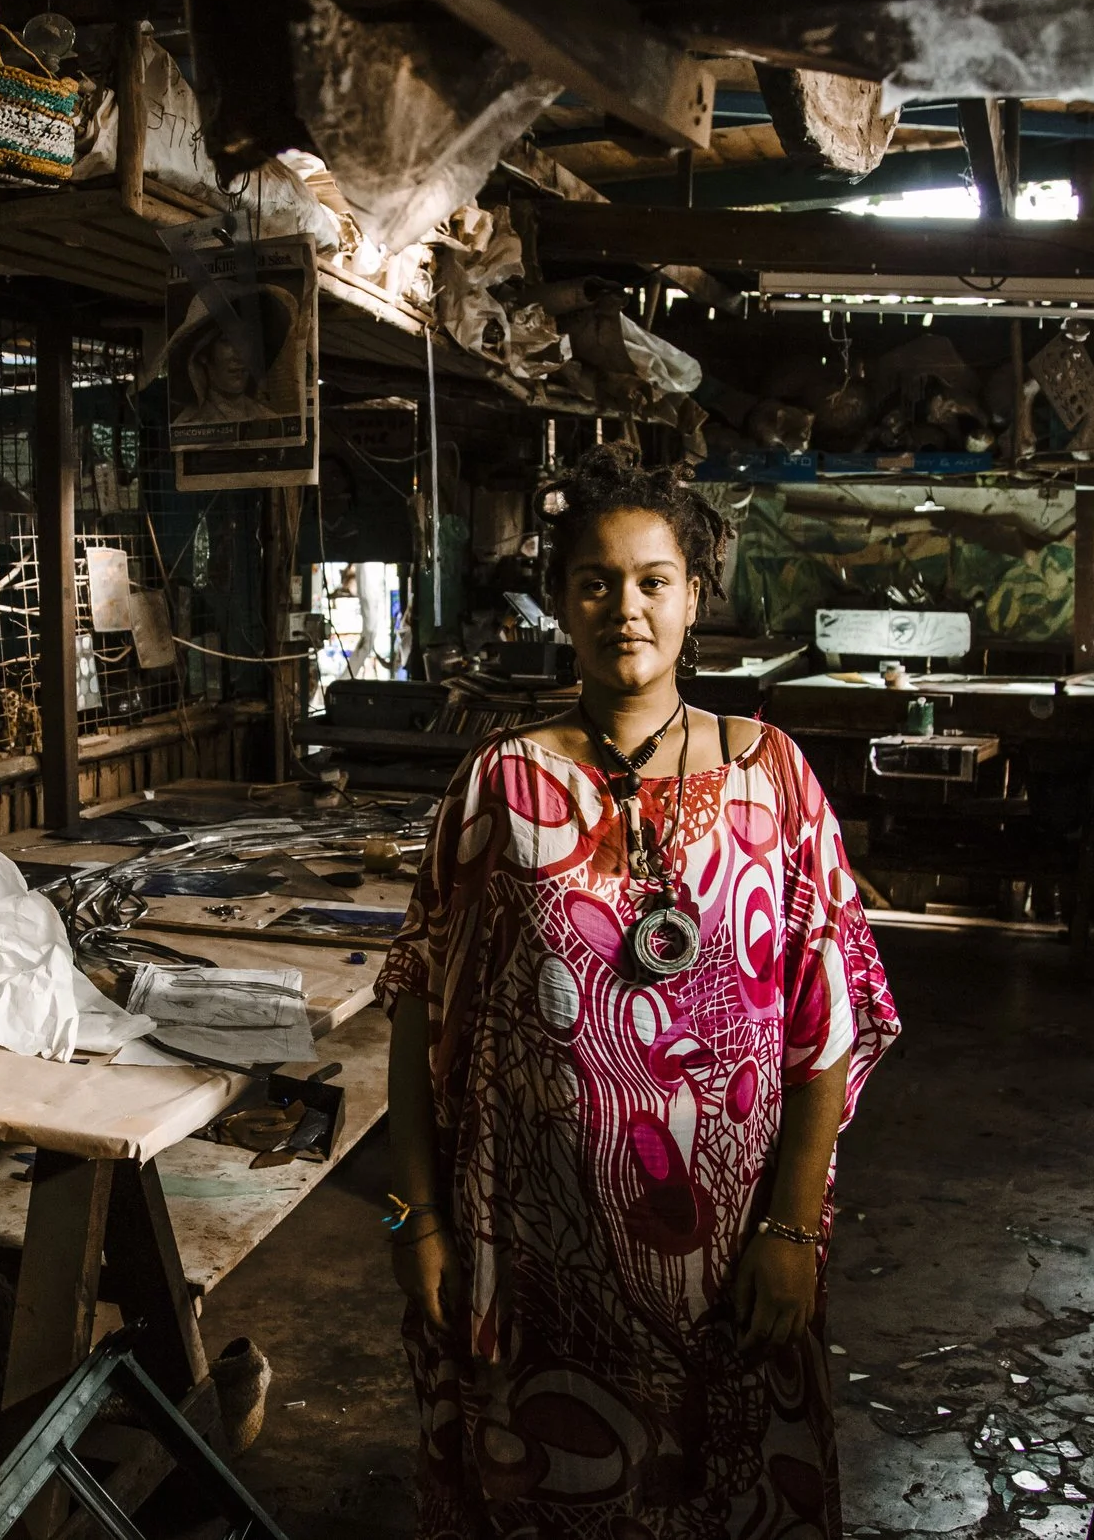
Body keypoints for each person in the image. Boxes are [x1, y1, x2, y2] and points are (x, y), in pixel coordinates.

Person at [379, 447, 902, 1538]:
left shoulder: (772, 771)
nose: (626, 606)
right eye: (597, 581)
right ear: (562, 602)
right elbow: (421, 1002)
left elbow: (830, 1020)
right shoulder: (501, 779)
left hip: (732, 1258)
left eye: (653, 579)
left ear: (693, 596)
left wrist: (793, 1230)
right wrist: (423, 1214)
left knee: (725, 1492)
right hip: (535, 1260)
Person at [166, 283, 298, 428]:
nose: (241, 355)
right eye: (227, 342)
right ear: (203, 353)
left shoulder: (270, 420)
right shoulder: (189, 424)